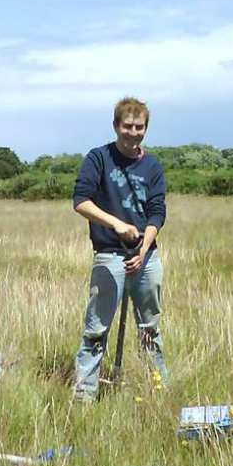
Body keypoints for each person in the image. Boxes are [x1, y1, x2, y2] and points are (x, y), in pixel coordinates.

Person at [72, 96, 169, 403]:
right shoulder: (99, 158)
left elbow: (157, 211)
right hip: (109, 255)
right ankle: (84, 396)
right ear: (116, 126)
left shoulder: (152, 166)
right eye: (127, 126)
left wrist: (144, 246)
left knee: (150, 327)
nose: (133, 132)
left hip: (146, 257)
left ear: (146, 129)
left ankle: (158, 391)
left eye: (139, 127)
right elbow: (81, 201)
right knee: (96, 329)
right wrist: (115, 224)